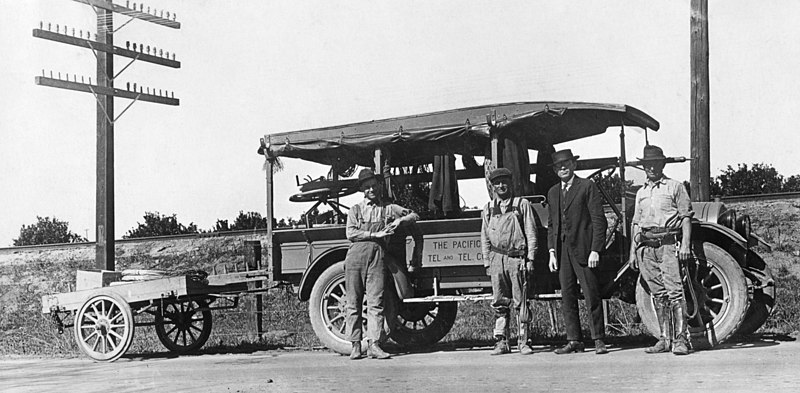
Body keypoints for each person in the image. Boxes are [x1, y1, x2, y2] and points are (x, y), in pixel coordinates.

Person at [344, 168, 420, 360]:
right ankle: (355, 346)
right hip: (355, 257)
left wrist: (400, 221)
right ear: (362, 189)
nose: (371, 189)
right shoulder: (355, 210)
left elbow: (415, 216)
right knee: (353, 303)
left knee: (376, 302)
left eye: (373, 185)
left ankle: (374, 345)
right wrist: (373, 234)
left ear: (379, 186)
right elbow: (351, 233)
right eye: (367, 186)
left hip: (378, 258)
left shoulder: (388, 208)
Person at [628, 145, 693, 356]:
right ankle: (665, 339)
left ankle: (681, 340)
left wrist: (685, 244)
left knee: (675, 291)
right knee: (658, 294)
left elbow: (685, 217)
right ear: (644, 167)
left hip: (667, 244)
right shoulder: (641, 192)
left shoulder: (675, 187)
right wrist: (633, 252)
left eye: (655, 164)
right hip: (646, 248)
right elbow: (636, 223)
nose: (651, 168)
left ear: (662, 164)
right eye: (647, 164)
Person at [547, 149, 609, 355]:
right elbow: (551, 224)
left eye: (566, 164)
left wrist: (595, 250)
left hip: (584, 249)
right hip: (562, 251)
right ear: (555, 170)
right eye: (558, 166)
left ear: (574, 165)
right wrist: (552, 252)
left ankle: (598, 339)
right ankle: (574, 340)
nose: (562, 168)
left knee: (591, 294)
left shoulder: (587, 187)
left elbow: (599, 221)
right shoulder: (553, 192)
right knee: (567, 295)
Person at [481, 167, 538, 355]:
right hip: (497, 259)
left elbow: (531, 232)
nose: (501, 185)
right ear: (492, 186)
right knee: (499, 302)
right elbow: (485, 237)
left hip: (517, 258)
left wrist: (530, 259)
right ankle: (501, 342)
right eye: (497, 183)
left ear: (510, 183)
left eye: (504, 181)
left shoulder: (522, 204)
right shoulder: (488, 208)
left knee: (520, 301)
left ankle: (524, 341)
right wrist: (487, 262)